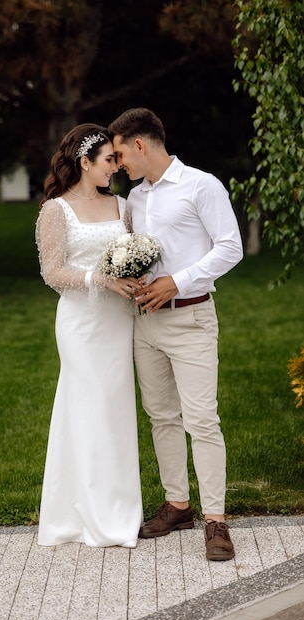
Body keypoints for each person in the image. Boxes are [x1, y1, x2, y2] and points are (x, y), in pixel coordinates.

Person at [108, 108, 243, 561]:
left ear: (141, 145)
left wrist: (177, 282)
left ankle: (216, 520)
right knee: (161, 416)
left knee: (202, 420)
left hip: (191, 319)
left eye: (122, 152)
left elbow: (231, 247)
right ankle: (178, 504)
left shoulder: (202, 185)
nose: (119, 162)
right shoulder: (136, 199)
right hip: (145, 323)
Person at [35, 123, 143, 548]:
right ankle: (79, 513)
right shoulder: (56, 210)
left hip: (120, 319)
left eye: (117, 160)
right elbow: (52, 271)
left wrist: (134, 275)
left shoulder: (123, 206)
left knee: (116, 407)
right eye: (109, 161)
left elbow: (135, 250)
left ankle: (117, 509)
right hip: (81, 322)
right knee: (86, 406)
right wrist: (98, 278)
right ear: (85, 162)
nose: (115, 168)